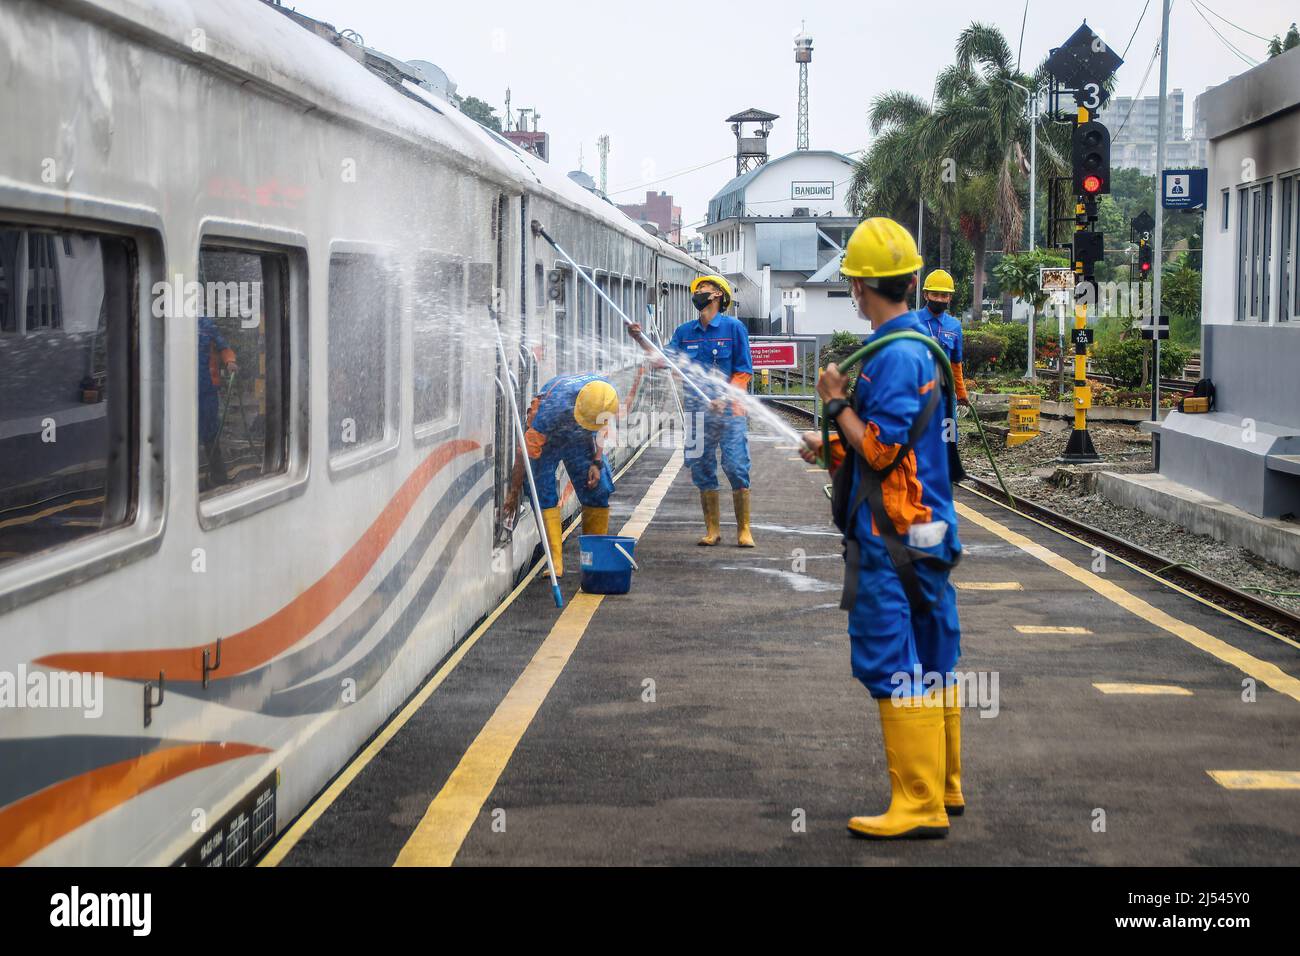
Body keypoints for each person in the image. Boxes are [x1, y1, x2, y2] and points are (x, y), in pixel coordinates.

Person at [799, 217, 965, 839]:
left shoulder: (893, 355)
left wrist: (836, 405)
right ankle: (946, 786)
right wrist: (830, 440)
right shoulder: (922, 343)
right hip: (928, 529)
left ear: (863, 287)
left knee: (892, 658)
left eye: (852, 284)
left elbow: (882, 451)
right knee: (933, 652)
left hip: (895, 534)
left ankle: (917, 805)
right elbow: (909, 446)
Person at [629, 275, 755, 547]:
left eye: (703, 289)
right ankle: (713, 530)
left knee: (735, 465)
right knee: (701, 466)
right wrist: (640, 338)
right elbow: (662, 360)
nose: (697, 293)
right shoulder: (685, 332)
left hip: (730, 411)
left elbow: (744, 372)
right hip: (698, 413)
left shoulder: (734, 328)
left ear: (718, 295)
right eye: (696, 290)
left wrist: (725, 396)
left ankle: (744, 529)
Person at [503, 372, 620, 575]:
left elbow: (601, 427)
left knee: (598, 488)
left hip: (579, 438)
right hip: (548, 441)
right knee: (542, 490)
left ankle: (594, 557)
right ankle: (555, 561)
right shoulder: (551, 410)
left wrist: (597, 462)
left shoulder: (604, 394)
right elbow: (525, 453)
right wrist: (514, 491)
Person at [917, 269, 969, 405]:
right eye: (934, 294)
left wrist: (961, 393)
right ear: (925, 295)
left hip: (945, 396)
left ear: (950, 298)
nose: (939, 299)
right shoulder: (912, 322)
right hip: (916, 396)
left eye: (944, 295)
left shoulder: (955, 326)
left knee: (949, 427)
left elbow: (956, 364)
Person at [198, 315, 237, 488]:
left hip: (206, 389)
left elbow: (223, 346)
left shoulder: (205, 324)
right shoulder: (171, 323)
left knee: (210, 433)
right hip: (182, 388)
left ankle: (219, 477)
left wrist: (230, 362)